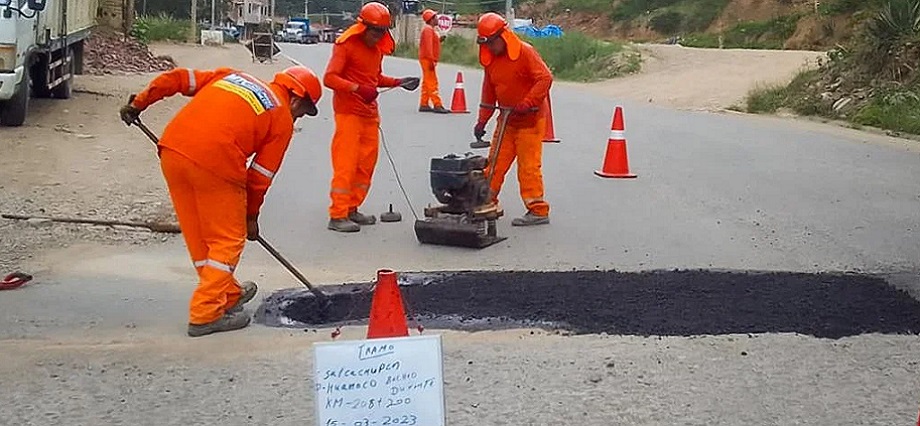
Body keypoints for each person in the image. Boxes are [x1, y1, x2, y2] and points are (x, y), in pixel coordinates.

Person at [118, 65, 323, 337]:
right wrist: (249, 219)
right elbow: (259, 177)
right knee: (228, 239)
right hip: (216, 163)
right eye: (301, 113)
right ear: (296, 99)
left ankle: (225, 293)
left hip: (173, 152)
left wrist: (140, 102)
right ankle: (205, 313)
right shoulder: (281, 118)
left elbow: (178, 79)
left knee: (200, 234)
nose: (296, 119)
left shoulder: (234, 77)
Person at [323, 1, 420, 233]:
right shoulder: (345, 45)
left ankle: (352, 208)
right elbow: (330, 78)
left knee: (365, 165)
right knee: (346, 165)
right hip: (348, 114)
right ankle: (337, 215)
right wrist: (357, 88)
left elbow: (374, 78)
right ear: (363, 27)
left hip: (369, 114)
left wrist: (399, 82)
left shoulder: (377, 50)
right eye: (375, 31)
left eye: (382, 32)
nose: (377, 36)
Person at [473, 12, 553, 226]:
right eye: (486, 43)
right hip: (507, 119)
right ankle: (485, 200)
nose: (490, 47)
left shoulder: (525, 53)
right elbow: (489, 93)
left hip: (530, 120)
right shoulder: (491, 61)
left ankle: (538, 210)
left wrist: (527, 103)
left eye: (492, 42)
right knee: (494, 164)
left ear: (504, 36)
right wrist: (482, 121)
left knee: (528, 168)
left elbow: (545, 78)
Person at [418, 9, 448, 114]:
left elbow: (430, 43)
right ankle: (437, 104)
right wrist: (431, 60)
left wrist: (439, 40)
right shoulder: (428, 30)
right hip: (428, 59)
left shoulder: (429, 30)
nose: (437, 19)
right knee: (432, 81)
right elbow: (428, 47)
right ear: (431, 19)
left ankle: (424, 103)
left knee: (427, 82)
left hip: (427, 58)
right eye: (435, 17)